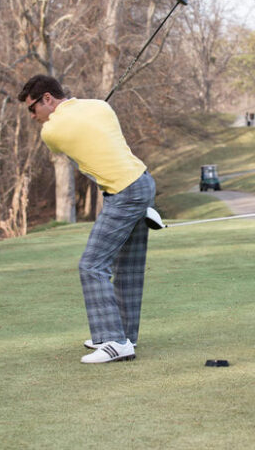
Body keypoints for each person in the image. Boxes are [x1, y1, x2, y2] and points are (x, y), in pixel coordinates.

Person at [18, 75, 156, 364]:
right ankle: (124, 335)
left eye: (33, 109)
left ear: (47, 99)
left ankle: (114, 341)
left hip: (125, 193)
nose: (33, 117)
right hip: (142, 183)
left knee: (92, 265)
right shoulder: (99, 107)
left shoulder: (51, 133)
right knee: (127, 268)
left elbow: (62, 140)